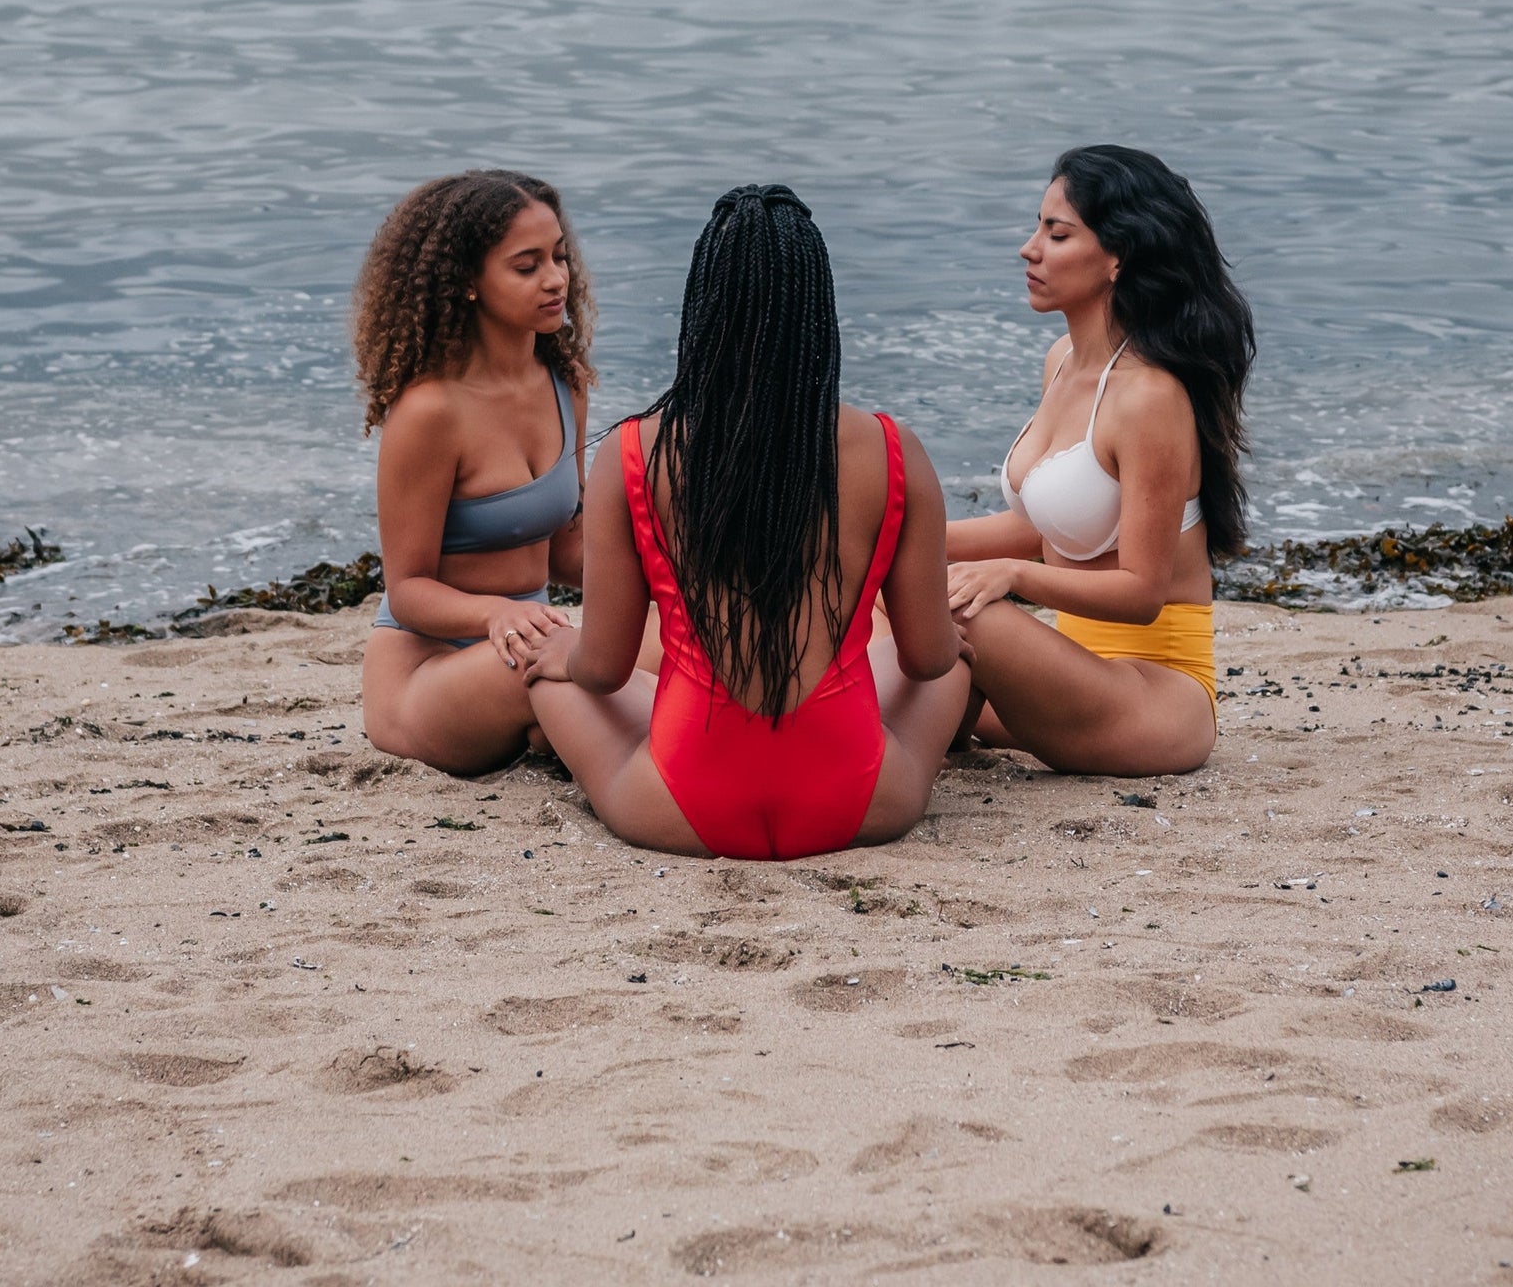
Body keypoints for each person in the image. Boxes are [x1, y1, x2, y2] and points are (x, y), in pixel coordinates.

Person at [523, 184, 970, 861]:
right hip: (858, 802)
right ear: (818, 310)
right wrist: (954, 646)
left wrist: (564, 654)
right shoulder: (891, 449)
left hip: (682, 802)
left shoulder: (637, 452)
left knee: (548, 678)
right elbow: (927, 658)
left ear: (702, 310)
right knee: (957, 662)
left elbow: (606, 669)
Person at [945, 145, 1255, 776]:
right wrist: (897, 536)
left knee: (958, 612)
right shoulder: (1062, 360)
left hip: (1153, 699)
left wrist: (1013, 576)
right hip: (1068, 679)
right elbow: (1049, 531)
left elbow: (1142, 592)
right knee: (871, 578)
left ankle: (931, 719)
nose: (1030, 249)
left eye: (1057, 234)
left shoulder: (1150, 397)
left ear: (1119, 257)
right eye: (1037, 228)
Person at [356, 169, 595, 776]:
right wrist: (495, 613)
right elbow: (407, 591)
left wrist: (676, 579)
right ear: (467, 282)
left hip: (527, 650)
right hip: (428, 674)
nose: (555, 279)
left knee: (683, 632)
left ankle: (553, 726)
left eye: (559, 257)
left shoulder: (564, 385)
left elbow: (569, 553)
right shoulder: (429, 412)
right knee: (586, 664)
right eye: (527, 266)